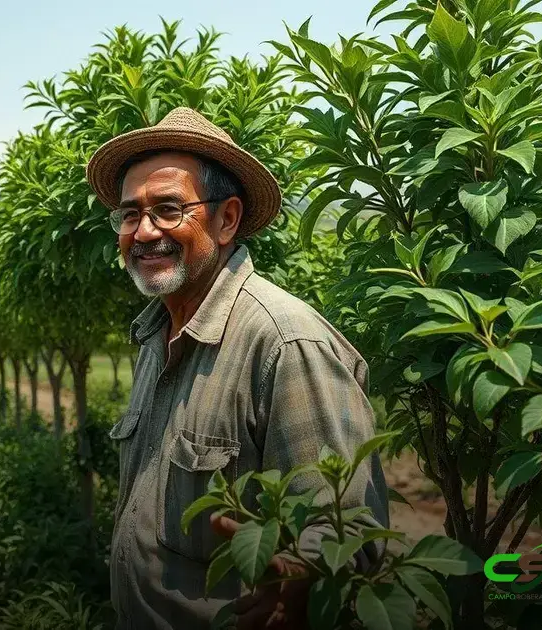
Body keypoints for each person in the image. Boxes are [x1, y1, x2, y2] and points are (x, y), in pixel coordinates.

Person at [85, 106, 391, 629]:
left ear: (226, 219)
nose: (143, 231)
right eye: (130, 214)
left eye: (167, 209)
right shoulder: (156, 335)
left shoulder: (285, 342)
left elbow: (345, 525)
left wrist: (303, 579)